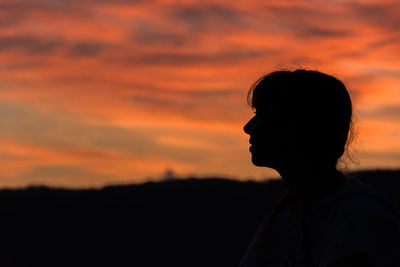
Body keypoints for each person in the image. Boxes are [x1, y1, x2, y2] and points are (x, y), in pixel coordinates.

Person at [239, 69, 400, 267]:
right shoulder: (280, 221)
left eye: (262, 115)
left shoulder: (360, 215)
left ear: (297, 127)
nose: (248, 127)